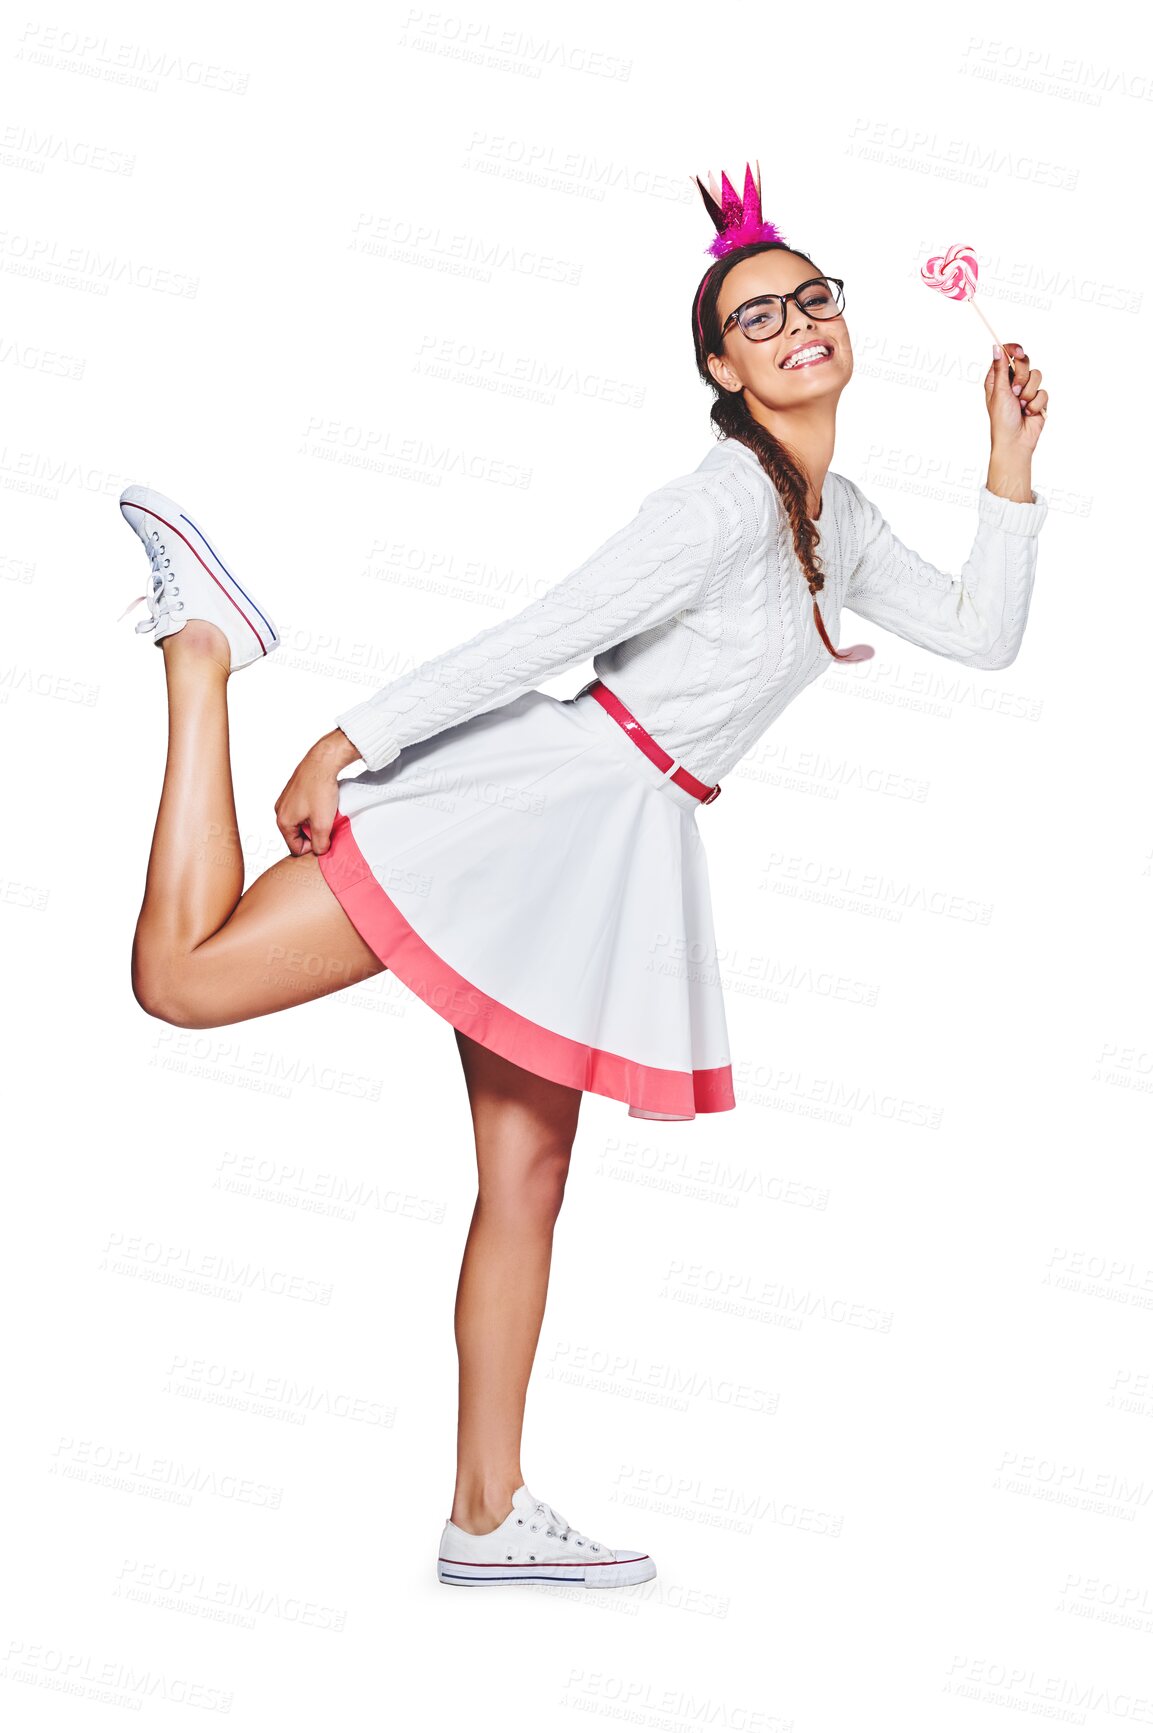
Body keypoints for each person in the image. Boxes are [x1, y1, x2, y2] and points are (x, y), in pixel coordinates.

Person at [115, 162, 1049, 1588]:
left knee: (530, 1175)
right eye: (759, 314)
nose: (796, 322)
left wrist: (1006, 463)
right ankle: (201, 657)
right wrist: (349, 734)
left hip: (615, 842)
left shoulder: (836, 516)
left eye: (812, 298)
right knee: (181, 981)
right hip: (529, 807)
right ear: (720, 367)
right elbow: (542, 628)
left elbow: (984, 634)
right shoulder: (717, 508)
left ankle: (482, 1514)